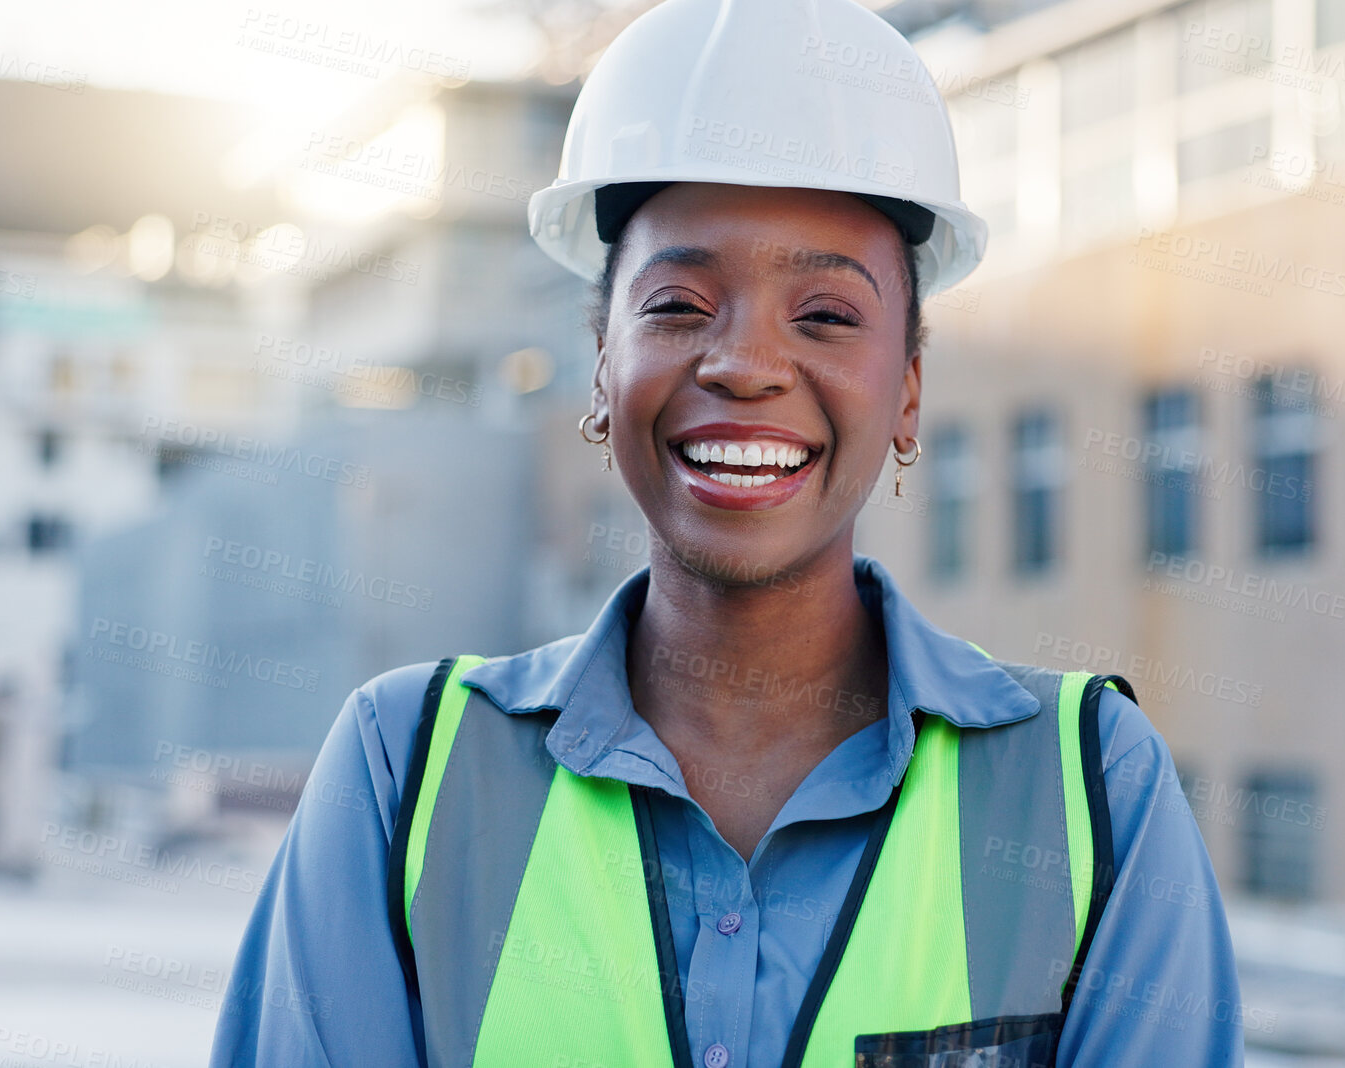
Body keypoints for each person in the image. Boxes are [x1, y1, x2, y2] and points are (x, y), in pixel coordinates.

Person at [211, 0, 1243, 1064]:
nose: (744, 363)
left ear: (908, 394)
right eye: (677, 305)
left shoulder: (1088, 789)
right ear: (603, 368)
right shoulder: (408, 777)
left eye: (827, 316)